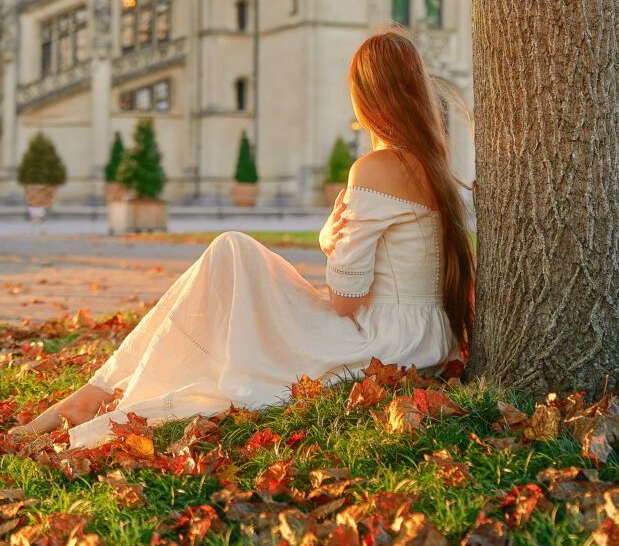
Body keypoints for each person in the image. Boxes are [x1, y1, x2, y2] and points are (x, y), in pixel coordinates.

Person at [11, 29, 475, 449]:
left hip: (378, 344)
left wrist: (330, 245)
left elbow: (345, 301)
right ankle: (93, 393)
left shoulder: (376, 168)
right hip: (426, 341)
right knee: (234, 269)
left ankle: (91, 397)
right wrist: (330, 237)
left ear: (366, 99)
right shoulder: (435, 169)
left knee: (230, 250)